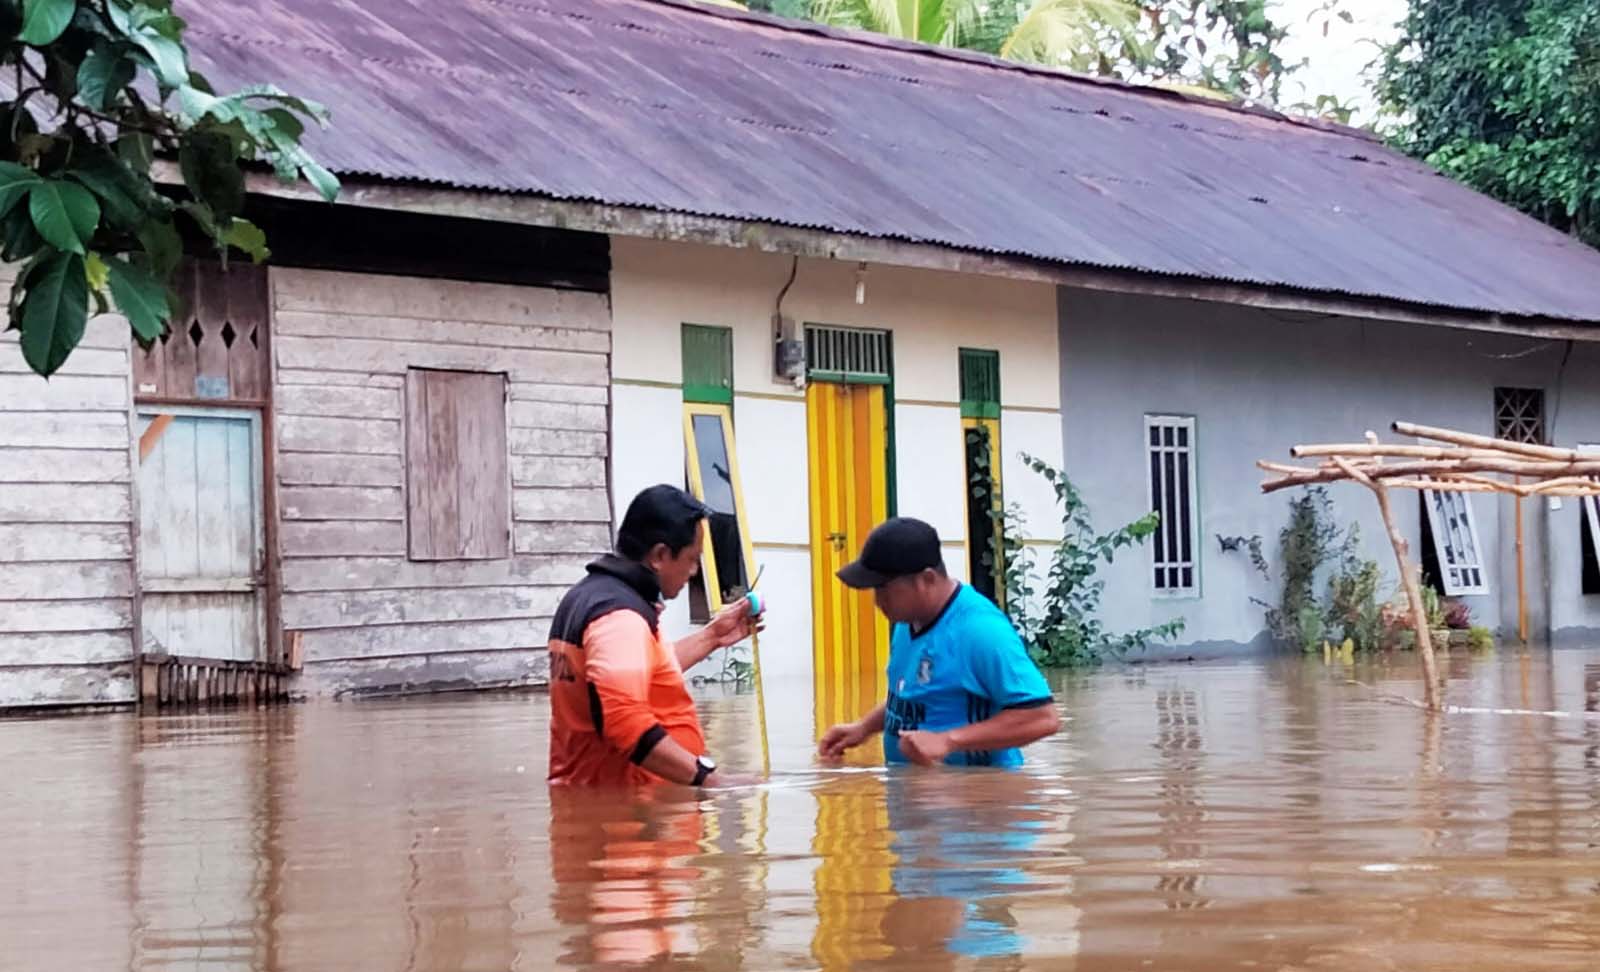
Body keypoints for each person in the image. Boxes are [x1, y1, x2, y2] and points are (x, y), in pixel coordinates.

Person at [548, 484, 758, 787]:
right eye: (691, 558)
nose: (694, 571)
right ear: (660, 554)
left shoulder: (591, 598)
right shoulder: (619, 617)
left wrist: (712, 636)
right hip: (629, 820)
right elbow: (625, 721)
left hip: (608, 808)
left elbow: (639, 673)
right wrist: (711, 781)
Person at [818, 517, 1060, 768]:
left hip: (979, 801)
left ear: (927, 579)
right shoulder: (905, 622)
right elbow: (913, 697)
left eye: (884, 589)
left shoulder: (980, 631)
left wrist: (948, 740)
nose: (878, 601)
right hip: (918, 796)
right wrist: (864, 727)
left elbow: (1042, 718)